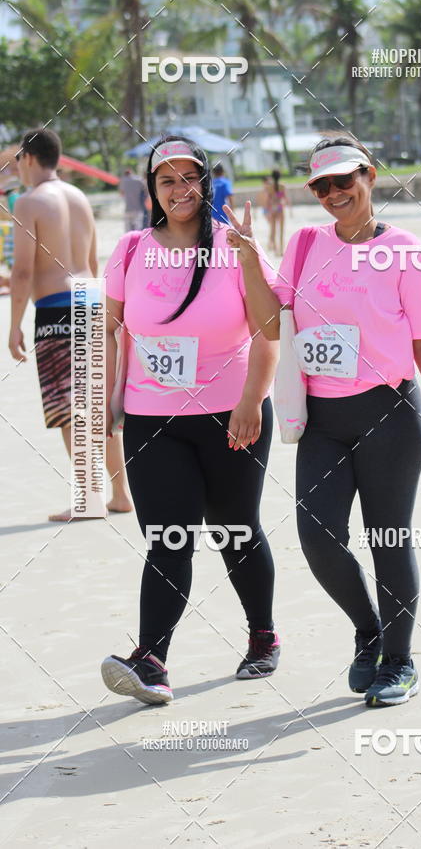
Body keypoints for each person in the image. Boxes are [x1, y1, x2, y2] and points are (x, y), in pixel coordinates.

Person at [224, 131, 421, 708]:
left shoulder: (404, 248)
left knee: (389, 537)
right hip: (324, 419)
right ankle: (369, 629)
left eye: (344, 180)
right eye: (322, 185)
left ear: (369, 176)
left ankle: (399, 661)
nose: (334, 192)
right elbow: (270, 317)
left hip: (390, 413)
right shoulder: (307, 243)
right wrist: (248, 258)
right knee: (318, 536)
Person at [101, 136, 279, 704]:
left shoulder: (234, 245)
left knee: (235, 529)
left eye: (190, 177)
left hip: (233, 414)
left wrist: (252, 399)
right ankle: (151, 660)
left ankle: (262, 636)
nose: (181, 189)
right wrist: (110, 400)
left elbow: (269, 329)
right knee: (167, 538)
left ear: (207, 182)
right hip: (154, 419)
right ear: (153, 189)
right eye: (168, 180)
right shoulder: (130, 250)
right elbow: (113, 331)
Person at [8, 128, 132, 521]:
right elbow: (94, 263)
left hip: (56, 311)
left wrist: (14, 325)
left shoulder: (29, 203)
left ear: (28, 158)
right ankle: (119, 493)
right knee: (97, 406)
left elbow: (23, 272)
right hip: (90, 301)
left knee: (69, 410)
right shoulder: (79, 198)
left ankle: (89, 497)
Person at [266, 169, 289, 256]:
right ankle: (281, 250)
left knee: (273, 229)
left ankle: (275, 250)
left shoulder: (269, 187)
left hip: (273, 208)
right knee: (281, 230)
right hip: (280, 207)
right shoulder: (282, 186)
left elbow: (268, 200)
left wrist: (268, 211)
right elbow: (285, 198)